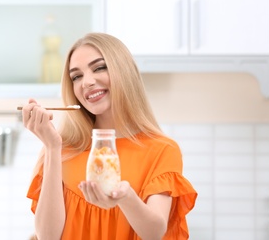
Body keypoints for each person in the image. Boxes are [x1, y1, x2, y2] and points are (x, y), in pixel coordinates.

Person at [22, 32, 197, 240]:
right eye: (76, 76)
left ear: (123, 72)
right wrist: (51, 147)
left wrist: (124, 197)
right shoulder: (60, 148)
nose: (86, 82)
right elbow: (48, 237)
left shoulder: (161, 150)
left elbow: (154, 233)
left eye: (99, 67)